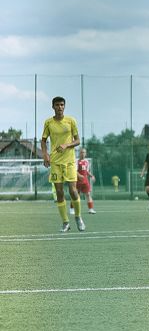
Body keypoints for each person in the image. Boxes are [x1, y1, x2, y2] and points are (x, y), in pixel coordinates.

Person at [41, 96, 84, 232]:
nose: (60, 107)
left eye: (62, 105)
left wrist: (67, 145)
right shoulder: (48, 122)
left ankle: (78, 217)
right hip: (55, 162)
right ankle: (65, 222)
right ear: (53, 107)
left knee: (73, 191)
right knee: (59, 192)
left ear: (64, 106)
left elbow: (78, 141)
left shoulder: (71, 121)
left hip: (69, 161)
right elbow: (43, 140)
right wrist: (45, 155)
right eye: (57, 105)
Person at [74, 148, 97, 214]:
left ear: (86, 153)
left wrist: (92, 176)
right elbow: (74, 171)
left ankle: (91, 209)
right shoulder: (76, 161)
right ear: (79, 153)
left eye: (84, 152)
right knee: (76, 195)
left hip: (85, 181)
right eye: (81, 152)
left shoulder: (87, 162)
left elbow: (86, 171)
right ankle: (72, 209)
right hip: (77, 181)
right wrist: (79, 176)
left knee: (88, 194)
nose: (82, 154)